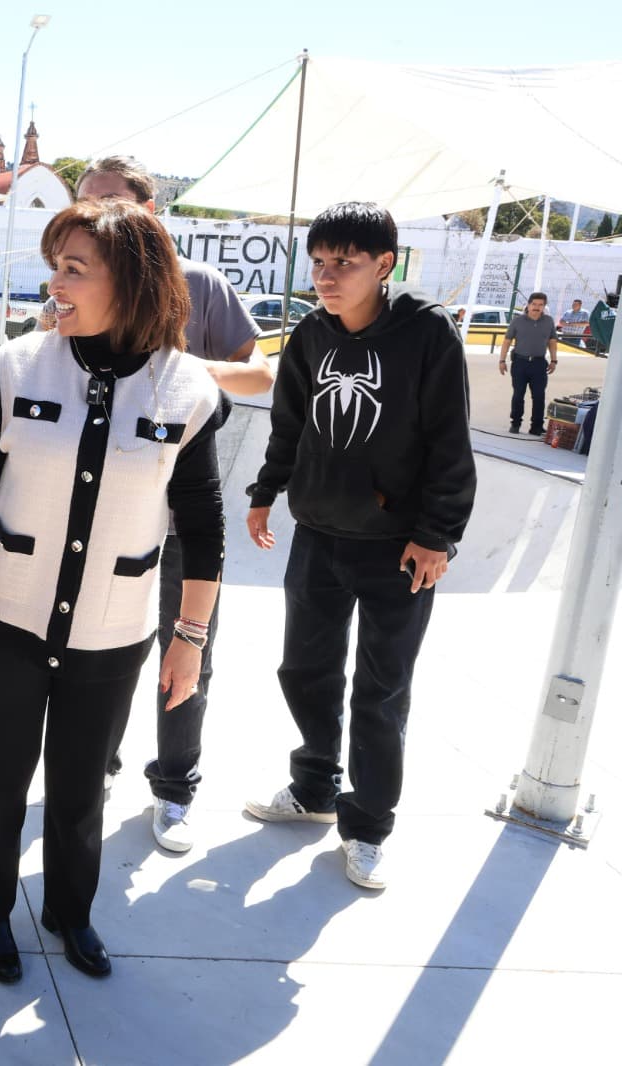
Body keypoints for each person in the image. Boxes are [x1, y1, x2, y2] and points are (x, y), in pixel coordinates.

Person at [0, 199, 224, 984]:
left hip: (113, 632)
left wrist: (190, 639)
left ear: (130, 282)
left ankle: (72, 912)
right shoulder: (19, 365)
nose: (54, 284)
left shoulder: (188, 390)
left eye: (74, 269)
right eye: (53, 266)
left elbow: (203, 526)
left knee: (78, 791)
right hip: (6, 619)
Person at [244, 202, 475, 891]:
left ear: (385, 264)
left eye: (343, 262)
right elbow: (289, 424)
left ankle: (368, 825)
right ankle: (314, 788)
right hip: (318, 533)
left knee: (381, 693)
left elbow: (449, 444)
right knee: (305, 671)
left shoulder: (426, 333)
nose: (326, 275)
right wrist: (264, 490)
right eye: (318, 262)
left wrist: (437, 535)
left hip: (397, 547)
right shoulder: (312, 334)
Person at [76, 154, 274, 854]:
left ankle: (174, 787)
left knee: (187, 649)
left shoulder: (199, 285)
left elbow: (257, 372)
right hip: (103, 508)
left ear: (149, 211)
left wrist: (186, 369)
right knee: (97, 649)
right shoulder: (74, 287)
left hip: (187, 507)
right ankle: (92, 769)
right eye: (86, 203)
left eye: (113, 202)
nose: (98, 216)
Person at [498, 291, 559, 435]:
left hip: (539, 364)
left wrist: (554, 360)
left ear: (544, 306)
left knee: (539, 396)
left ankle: (536, 426)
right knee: (518, 394)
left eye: (540, 305)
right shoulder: (517, 321)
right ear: (528, 305)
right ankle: (515, 424)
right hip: (520, 363)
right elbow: (507, 341)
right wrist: (502, 360)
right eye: (534, 304)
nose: (537, 307)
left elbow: (552, 341)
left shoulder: (548, 321)